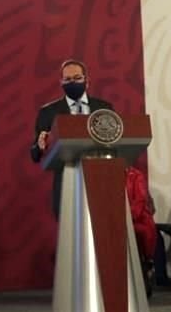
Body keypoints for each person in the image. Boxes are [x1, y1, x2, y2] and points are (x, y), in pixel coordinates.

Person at [30, 60, 114, 218]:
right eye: (68, 79)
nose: (72, 82)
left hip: (101, 182)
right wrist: (41, 146)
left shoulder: (104, 108)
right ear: (61, 82)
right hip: (66, 185)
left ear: (87, 81)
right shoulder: (49, 112)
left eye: (77, 78)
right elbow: (34, 154)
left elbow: (115, 141)